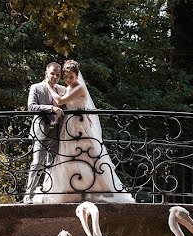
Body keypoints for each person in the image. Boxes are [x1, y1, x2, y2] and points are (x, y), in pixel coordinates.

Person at [30, 60, 135, 204]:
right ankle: (67, 190)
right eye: (65, 77)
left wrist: (49, 87)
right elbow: (32, 106)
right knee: (64, 157)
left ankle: (89, 189)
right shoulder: (62, 87)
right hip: (64, 127)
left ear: (77, 75)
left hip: (77, 126)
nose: (67, 80)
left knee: (85, 155)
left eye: (70, 77)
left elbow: (60, 101)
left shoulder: (77, 88)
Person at [24, 62, 67, 204]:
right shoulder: (36, 88)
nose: (55, 77)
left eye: (58, 75)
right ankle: (28, 196)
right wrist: (51, 108)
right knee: (37, 163)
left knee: (53, 164)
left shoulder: (62, 89)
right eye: (52, 73)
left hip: (57, 132)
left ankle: (50, 195)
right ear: (46, 73)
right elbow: (31, 107)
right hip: (41, 131)